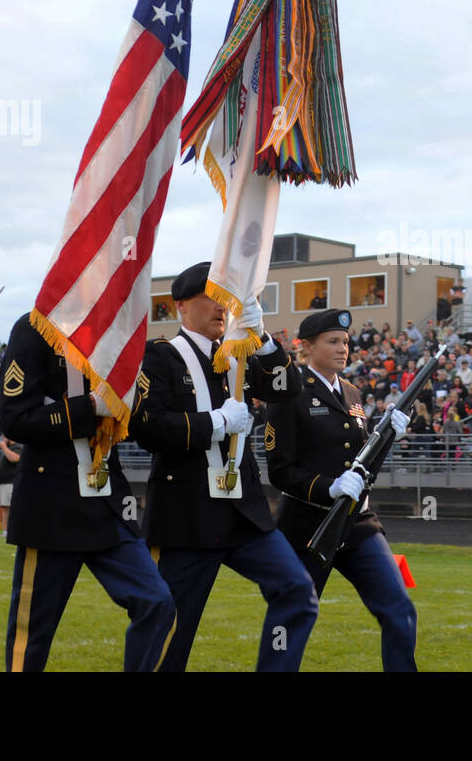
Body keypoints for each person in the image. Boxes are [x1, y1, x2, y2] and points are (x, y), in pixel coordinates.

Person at [128, 264, 317, 672]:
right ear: (181, 304)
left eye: (225, 300)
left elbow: (289, 390)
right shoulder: (160, 356)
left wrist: (263, 337)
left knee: (297, 592)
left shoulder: (238, 355)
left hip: (243, 514)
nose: (220, 308)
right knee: (170, 631)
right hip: (187, 515)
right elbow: (147, 426)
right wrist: (214, 423)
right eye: (211, 298)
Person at [0, 310, 176, 672]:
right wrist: (89, 406)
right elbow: (14, 418)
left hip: (108, 500)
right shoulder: (35, 329)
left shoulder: (115, 328)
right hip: (52, 501)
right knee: (31, 635)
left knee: (157, 602)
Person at [266, 309, 417, 671]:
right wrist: (328, 489)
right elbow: (281, 471)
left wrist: (388, 437)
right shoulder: (289, 392)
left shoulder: (351, 393)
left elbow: (363, 466)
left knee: (399, 609)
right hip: (308, 527)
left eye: (345, 342)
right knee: (293, 617)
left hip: (357, 524)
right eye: (332, 341)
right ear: (306, 347)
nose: (343, 348)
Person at [0, 434, 21, 532]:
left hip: (11, 482)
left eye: (5, 436)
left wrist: (4, 447)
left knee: (10, 507)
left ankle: (11, 530)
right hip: (4, 482)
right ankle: (5, 530)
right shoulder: (8, 447)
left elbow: (15, 458)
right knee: (5, 508)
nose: (3, 438)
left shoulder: (18, 446)